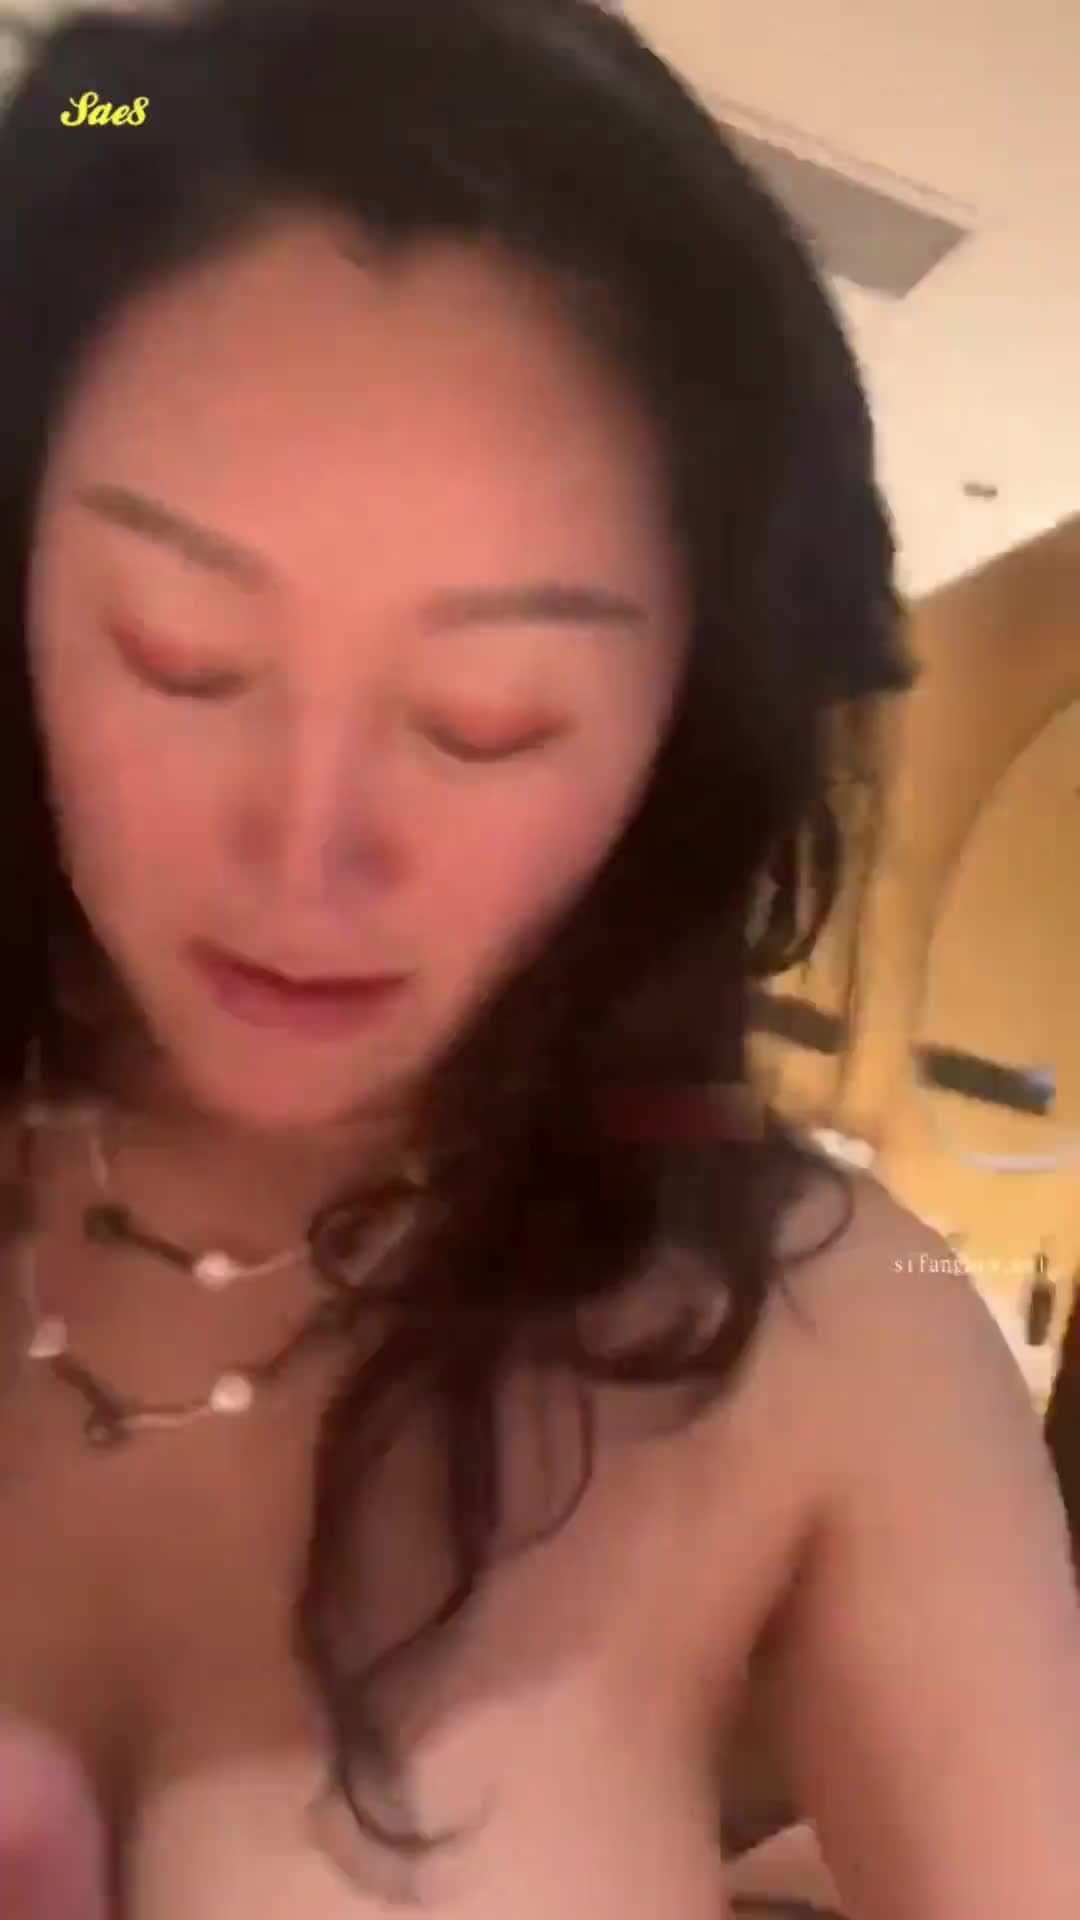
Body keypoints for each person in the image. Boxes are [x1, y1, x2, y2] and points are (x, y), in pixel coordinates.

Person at [0, 2, 1077, 1916]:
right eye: (177, 654)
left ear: (687, 731)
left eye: (488, 719)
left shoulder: (846, 1333)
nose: (310, 849)